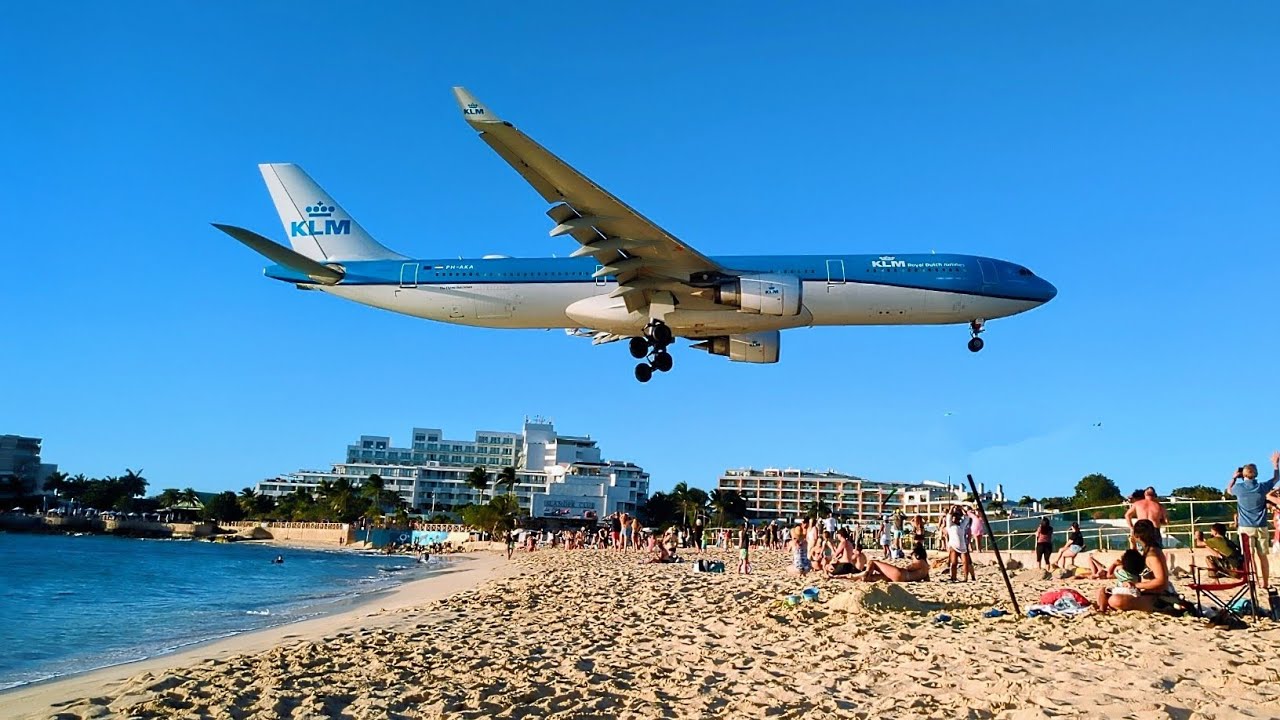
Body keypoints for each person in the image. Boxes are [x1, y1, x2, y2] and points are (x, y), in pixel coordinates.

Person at [1097, 519, 1184, 614]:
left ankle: (1165, 606)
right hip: (1147, 592)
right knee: (1104, 592)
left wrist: (1136, 585)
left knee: (1115, 600)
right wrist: (1133, 545)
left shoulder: (1153, 555)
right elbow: (1133, 562)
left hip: (1157, 596)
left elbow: (1161, 581)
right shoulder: (1149, 550)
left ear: (1136, 535)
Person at [1226, 453, 1279, 589]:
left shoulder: (1239, 488)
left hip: (1245, 527)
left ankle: (1253, 581)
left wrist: (1234, 478)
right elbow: (1276, 478)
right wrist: (1275, 464)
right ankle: (1265, 583)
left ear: (1243, 474)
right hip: (1261, 526)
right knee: (1263, 557)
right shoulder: (1262, 487)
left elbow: (1228, 490)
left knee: (1249, 557)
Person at [853, 544, 930, 583]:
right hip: (902, 579)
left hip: (901, 574)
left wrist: (908, 566)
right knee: (875, 577)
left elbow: (909, 568)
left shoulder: (919, 562)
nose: (912, 559)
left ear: (917, 556)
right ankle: (866, 577)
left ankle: (866, 574)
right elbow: (927, 579)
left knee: (873, 562)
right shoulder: (926, 567)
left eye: (913, 557)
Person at [945, 507, 973, 582]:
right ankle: (953, 577)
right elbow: (949, 515)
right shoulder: (950, 526)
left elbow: (966, 517)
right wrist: (952, 507)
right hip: (953, 546)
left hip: (963, 547)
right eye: (954, 518)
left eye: (957, 518)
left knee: (965, 563)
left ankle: (965, 577)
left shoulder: (962, 526)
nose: (955, 519)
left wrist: (961, 508)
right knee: (954, 563)